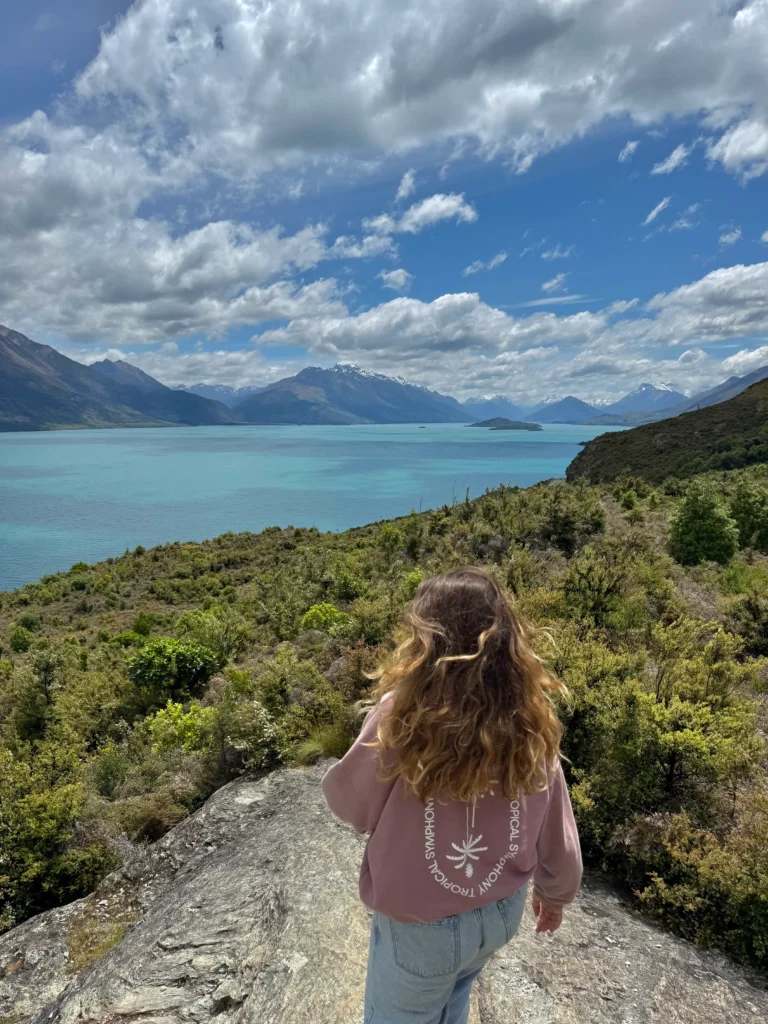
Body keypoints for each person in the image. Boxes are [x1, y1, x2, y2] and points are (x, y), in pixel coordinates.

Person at [322, 566, 582, 1024]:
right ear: (506, 636)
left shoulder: (401, 714)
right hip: (501, 910)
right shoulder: (531, 715)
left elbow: (350, 805)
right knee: (455, 997)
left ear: (426, 639)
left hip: (420, 928)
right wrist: (556, 892)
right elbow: (555, 815)